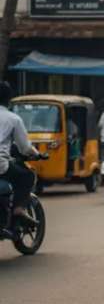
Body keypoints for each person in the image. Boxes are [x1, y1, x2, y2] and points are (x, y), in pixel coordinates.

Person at [0, 82, 41, 221]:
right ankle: (18, 208)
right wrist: (36, 154)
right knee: (27, 175)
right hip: (1, 165)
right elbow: (25, 147)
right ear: (9, 99)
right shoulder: (13, 118)